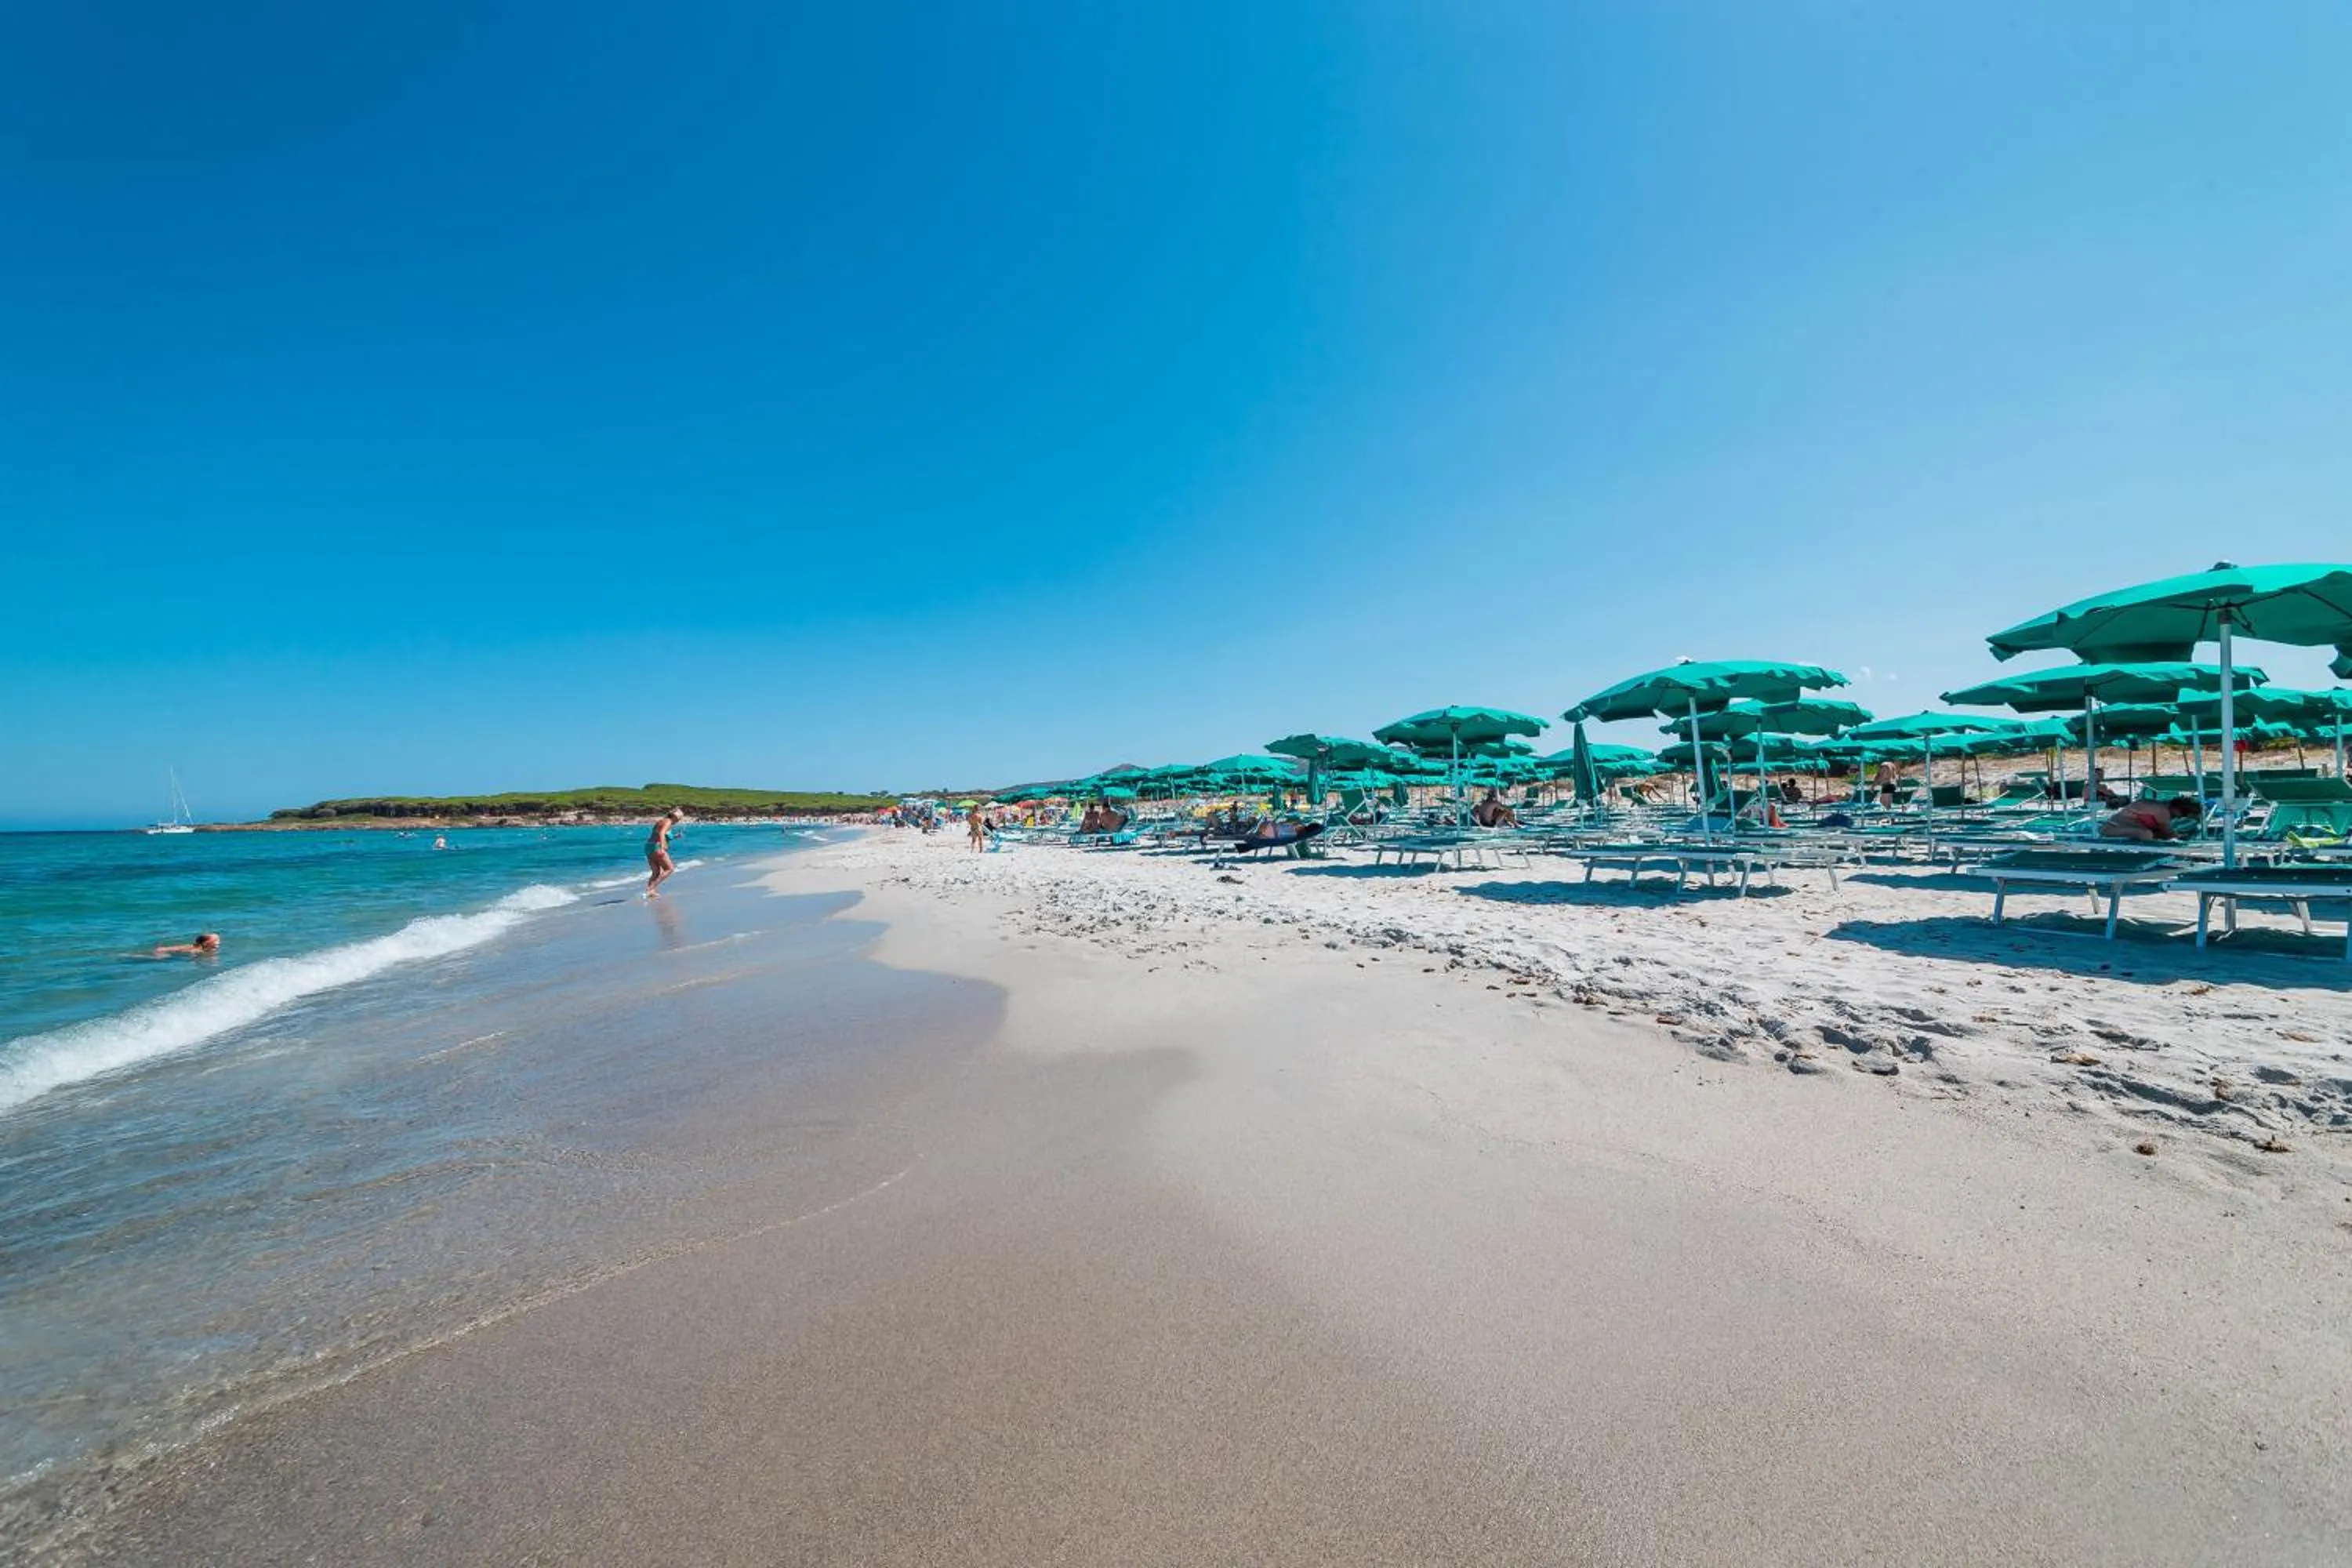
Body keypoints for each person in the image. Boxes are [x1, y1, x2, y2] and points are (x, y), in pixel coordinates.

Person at [2100, 794, 2202, 843]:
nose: (2180, 817)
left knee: (2151, 834)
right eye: (2183, 814)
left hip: (2115, 828)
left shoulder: (2159, 808)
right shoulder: (2162, 811)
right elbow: (2169, 834)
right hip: (2112, 829)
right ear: (2177, 808)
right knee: (2146, 834)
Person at [644, 808, 685, 895]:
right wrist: (663, 845)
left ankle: (651, 892)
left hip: (649, 846)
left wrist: (675, 836)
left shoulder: (662, 821)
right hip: (657, 847)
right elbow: (662, 833)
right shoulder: (668, 822)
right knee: (669, 869)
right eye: (678, 819)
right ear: (674, 817)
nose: (677, 822)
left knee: (656, 872)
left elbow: (661, 833)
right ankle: (651, 888)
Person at [150, 932, 221, 959]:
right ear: (206, 943)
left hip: (161, 949)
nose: (219, 942)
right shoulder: (197, 950)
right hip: (161, 952)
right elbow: (190, 953)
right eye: (216, 941)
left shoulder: (197, 947)